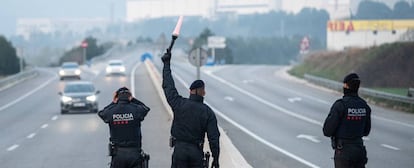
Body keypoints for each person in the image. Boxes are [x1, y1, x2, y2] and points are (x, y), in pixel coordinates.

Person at [161, 51, 220, 168]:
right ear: (203, 92)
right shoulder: (207, 112)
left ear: (190, 91)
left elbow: (168, 86)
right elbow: (213, 138)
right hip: (196, 153)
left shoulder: (179, 103)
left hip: (179, 152)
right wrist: (216, 158)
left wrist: (166, 65)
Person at [323, 73, 371, 168]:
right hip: (359, 149)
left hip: (344, 151)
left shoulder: (340, 105)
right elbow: (366, 131)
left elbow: (327, 131)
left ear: (346, 86)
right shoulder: (364, 106)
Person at [98, 87, 150, 168]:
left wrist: (114, 102)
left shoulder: (112, 111)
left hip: (118, 154)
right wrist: (133, 100)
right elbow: (146, 108)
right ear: (129, 97)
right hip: (134, 153)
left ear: (117, 97)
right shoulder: (136, 109)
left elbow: (102, 113)